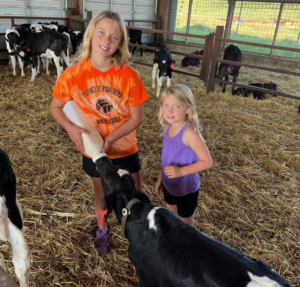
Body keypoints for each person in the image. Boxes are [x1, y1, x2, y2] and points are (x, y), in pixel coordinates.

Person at [50, 10, 149, 253]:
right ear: (91, 34)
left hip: (124, 148)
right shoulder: (73, 74)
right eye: (102, 33)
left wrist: (112, 137)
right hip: (93, 150)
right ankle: (102, 227)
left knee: (135, 192)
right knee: (101, 193)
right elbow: (56, 107)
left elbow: (137, 117)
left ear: (120, 43)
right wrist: (71, 129)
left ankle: (142, 234)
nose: (106, 40)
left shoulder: (129, 77)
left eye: (114, 37)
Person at [155, 84, 212, 227]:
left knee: (185, 227)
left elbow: (207, 161)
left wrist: (181, 171)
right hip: (169, 184)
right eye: (166, 105)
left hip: (186, 188)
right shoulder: (167, 128)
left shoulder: (189, 133)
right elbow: (166, 158)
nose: (170, 110)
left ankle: (185, 245)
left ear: (188, 109)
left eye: (176, 106)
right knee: (172, 218)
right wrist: (160, 179)